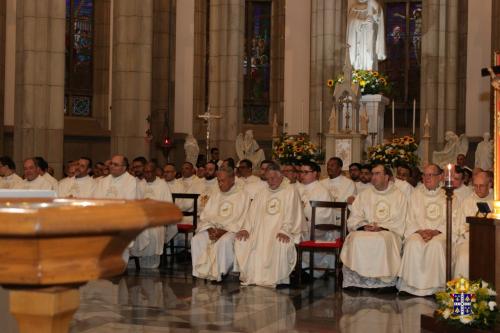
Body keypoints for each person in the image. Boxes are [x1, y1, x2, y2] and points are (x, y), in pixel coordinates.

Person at [235, 162, 304, 287]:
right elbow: (251, 213)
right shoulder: (262, 192)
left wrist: (285, 231)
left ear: (281, 176)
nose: (270, 181)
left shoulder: (290, 191)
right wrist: (245, 228)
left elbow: (292, 214)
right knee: (245, 241)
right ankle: (255, 277)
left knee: (280, 242)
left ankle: (277, 279)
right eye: (268, 179)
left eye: (273, 178)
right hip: (260, 232)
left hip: (282, 230)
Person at [340, 164, 407, 289]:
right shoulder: (364, 194)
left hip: (389, 232)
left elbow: (400, 221)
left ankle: (383, 282)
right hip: (366, 229)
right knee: (355, 238)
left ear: (387, 177)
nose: (373, 177)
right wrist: (364, 226)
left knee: (382, 239)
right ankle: (357, 280)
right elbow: (355, 216)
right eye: (373, 173)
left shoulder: (399, 196)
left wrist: (382, 227)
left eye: (377, 174)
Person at [191, 166, 250, 281]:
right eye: (218, 181)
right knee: (196, 239)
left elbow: (243, 219)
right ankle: (199, 272)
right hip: (214, 229)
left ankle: (221, 272)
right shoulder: (216, 194)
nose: (220, 184)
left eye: (223, 181)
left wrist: (223, 231)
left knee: (225, 241)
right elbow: (205, 215)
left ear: (232, 179)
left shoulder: (242, 195)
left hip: (232, 231)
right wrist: (209, 229)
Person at [397, 164, 447, 296]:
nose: (427, 178)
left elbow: (453, 219)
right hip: (419, 231)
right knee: (413, 244)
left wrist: (435, 232)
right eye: (425, 175)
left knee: (436, 245)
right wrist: (420, 231)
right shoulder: (416, 194)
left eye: (431, 175)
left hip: (440, 233)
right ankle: (411, 286)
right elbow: (410, 217)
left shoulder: (448, 195)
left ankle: (436, 288)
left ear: (440, 177)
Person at [132, 162, 174, 268]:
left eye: (150, 172)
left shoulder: (162, 185)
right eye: (145, 172)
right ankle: (137, 258)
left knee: (153, 230)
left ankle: (151, 260)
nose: (147, 174)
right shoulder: (140, 184)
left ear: (155, 172)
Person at [454, 171, 493, 278]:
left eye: (481, 186)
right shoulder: (467, 202)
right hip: (469, 240)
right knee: (464, 256)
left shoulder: (496, 201)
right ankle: (463, 290)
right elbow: (459, 225)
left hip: (491, 240)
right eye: (475, 186)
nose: (478, 189)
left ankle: (488, 290)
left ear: (489, 184)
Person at [297, 161, 334, 275]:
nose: (302, 175)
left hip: (316, 228)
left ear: (315, 174)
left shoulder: (322, 190)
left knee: (296, 234)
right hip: (300, 224)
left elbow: (324, 215)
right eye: (300, 172)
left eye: (306, 172)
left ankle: (308, 270)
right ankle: (292, 267)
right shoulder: (297, 188)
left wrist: (304, 219)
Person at [346, 0, 386, 71]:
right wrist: (362, 21)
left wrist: (375, 7)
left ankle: (368, 75)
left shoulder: (372, 6)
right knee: (356, 59)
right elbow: (350, 23)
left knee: (369, 56)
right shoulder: (353, 8)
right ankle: (357, 74)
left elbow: (378, 16)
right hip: (357, 38)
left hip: (368, 37)